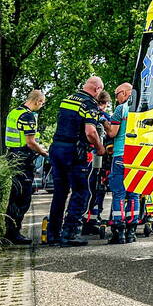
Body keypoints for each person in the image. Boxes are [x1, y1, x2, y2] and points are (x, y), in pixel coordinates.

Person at [47, 76, 106, 247]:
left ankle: (53, 234)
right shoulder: (89, 104)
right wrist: (100, 147)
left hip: (57, 148)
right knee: (81, 192)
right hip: (74, 151)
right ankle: (70, 233)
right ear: (97, 89)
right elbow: (90, 132)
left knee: (60, 192)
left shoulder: (67, 99)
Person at [4, 89, 48, 245]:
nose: (41, 106)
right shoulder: (27, 116)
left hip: (12, 155)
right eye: (42, 103)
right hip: (22, 159)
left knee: (14, 195)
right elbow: (30, 142)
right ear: (37, 101)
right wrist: (43, 152)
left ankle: (10, 230)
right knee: (23, 197)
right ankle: (14, 233)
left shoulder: (14, 112)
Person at [106, 82, 140, 244]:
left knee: (119, 192)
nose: (116, 98)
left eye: (117, 94)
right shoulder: (142, 108)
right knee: (134, 193)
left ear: (126, 93)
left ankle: (119, 232)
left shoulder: (121, 109)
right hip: (137, 155)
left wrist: (104, 122)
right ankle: (132, 231)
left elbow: (113, 132)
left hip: (120, 154)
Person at [83, 90, 113, 235]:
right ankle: (93, 219)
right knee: (97, 189)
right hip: (99, 158)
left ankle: (87, 218)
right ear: (105, 103)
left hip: (86, 156)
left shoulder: (88, 112)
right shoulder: (105, 117)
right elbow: (110, 134)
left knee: (88, 189)